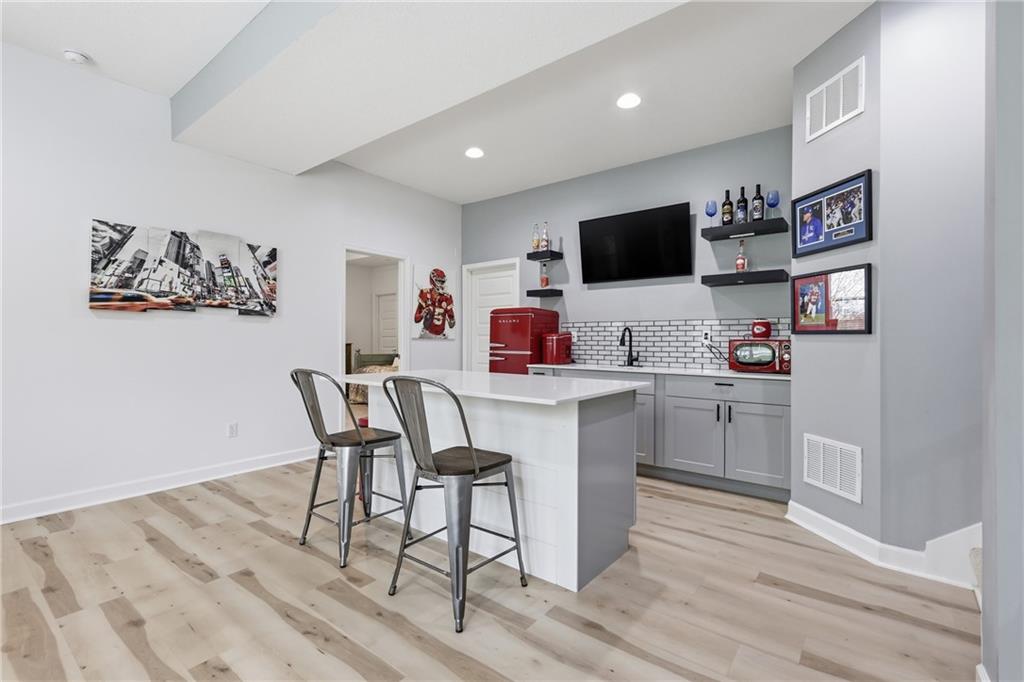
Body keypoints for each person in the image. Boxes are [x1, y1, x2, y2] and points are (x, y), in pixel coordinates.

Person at [414, 267, 455, 338]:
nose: (442, 284)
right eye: (439, 281)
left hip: (441, 336)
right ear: (433, 281)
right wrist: (423, 313)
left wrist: (451, 320)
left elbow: (452, 325)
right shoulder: (425, 294)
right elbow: (416, 319)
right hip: (427, 334)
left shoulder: (447, 297)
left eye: (443, 282)